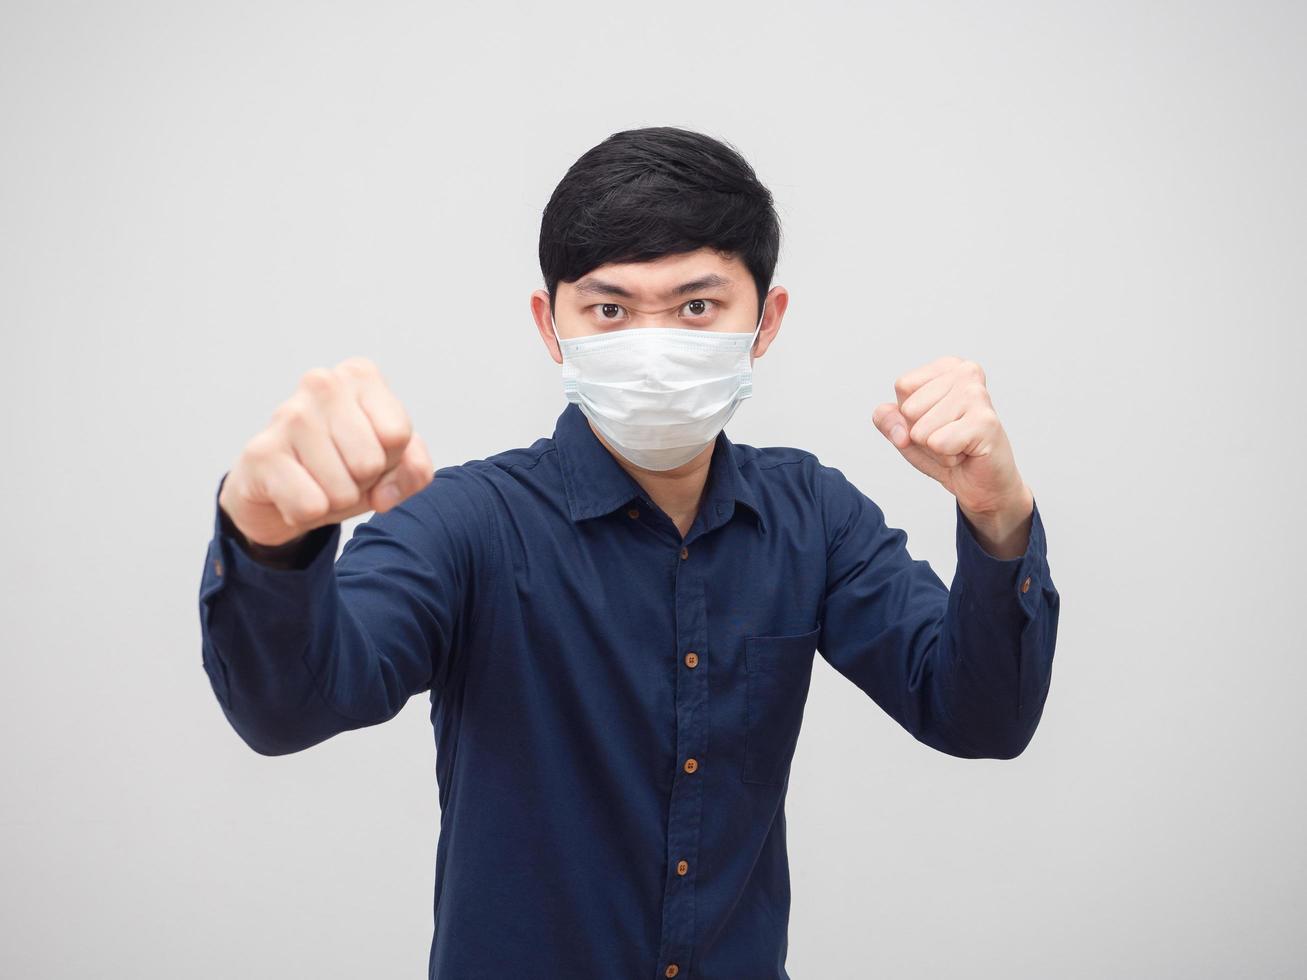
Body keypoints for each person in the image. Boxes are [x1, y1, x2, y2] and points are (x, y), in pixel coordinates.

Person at [198, 125, 1060, 980]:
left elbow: (978, 715)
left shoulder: (811, 516)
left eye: (696, 307)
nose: (652, 346)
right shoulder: (466, 523)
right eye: (609, 310)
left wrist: (997, 514)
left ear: (764, 320)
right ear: (552, 324)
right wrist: (269, 532)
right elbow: (289, 710)